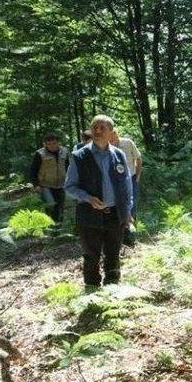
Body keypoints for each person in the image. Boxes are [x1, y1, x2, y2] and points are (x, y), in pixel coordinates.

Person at [64, 115, 133, 287]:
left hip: (114, 215)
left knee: (113, 253)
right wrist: (88, 198)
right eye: (94, 127)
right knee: (91, 255)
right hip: (88, 215)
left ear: (111, 132)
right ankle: (92, 290)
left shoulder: (119, 155)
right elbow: (69, 187)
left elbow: (126, 185)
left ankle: (112, 288)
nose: (97, 131)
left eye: (102, 127)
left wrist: (128, 211)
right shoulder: (79, 156)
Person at [111, 130, 143, 245]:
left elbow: (138, 158)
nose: (112, 140)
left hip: (132, 178)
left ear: (117, 134)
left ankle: (130, 235)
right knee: (118, 205)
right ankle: (120, 233)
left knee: (132, 204)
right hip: (117, 181)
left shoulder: (127, 143)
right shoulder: (106, 146)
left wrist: (138, 176)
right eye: (109, 138)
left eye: (113, 136)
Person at [29, 133, 70, 223]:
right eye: (49, 144)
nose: (52, 146)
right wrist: (36, 185)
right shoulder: (40, 154)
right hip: (45, 185)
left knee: (61, 206)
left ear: (58, 143)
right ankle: (49, 225)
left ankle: (59, 226)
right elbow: (33, 170)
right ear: (45, 144)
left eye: (54, 143)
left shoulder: (65, 151)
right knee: (51, 205)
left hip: (61, 184)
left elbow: (68, 167)